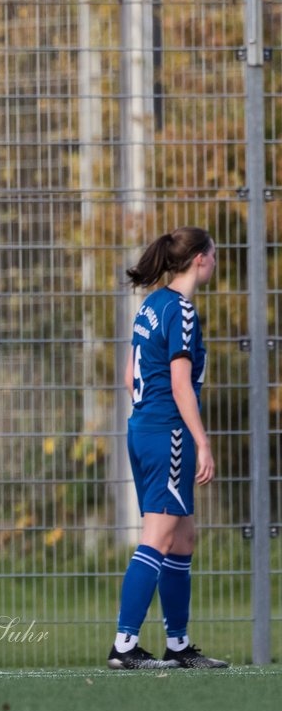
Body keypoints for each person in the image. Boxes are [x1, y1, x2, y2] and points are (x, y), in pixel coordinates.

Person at [109, 226, 228, 670]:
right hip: (168, 433)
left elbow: (128, 377)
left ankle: (177, 647)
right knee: (159, 537)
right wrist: (200, 441)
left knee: (182, 537)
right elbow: (180, 383)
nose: (216, 262)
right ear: (199, 258)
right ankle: (124, 645)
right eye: (213, 255)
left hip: (142, 429)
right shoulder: (181, 308)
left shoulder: (151, 304)